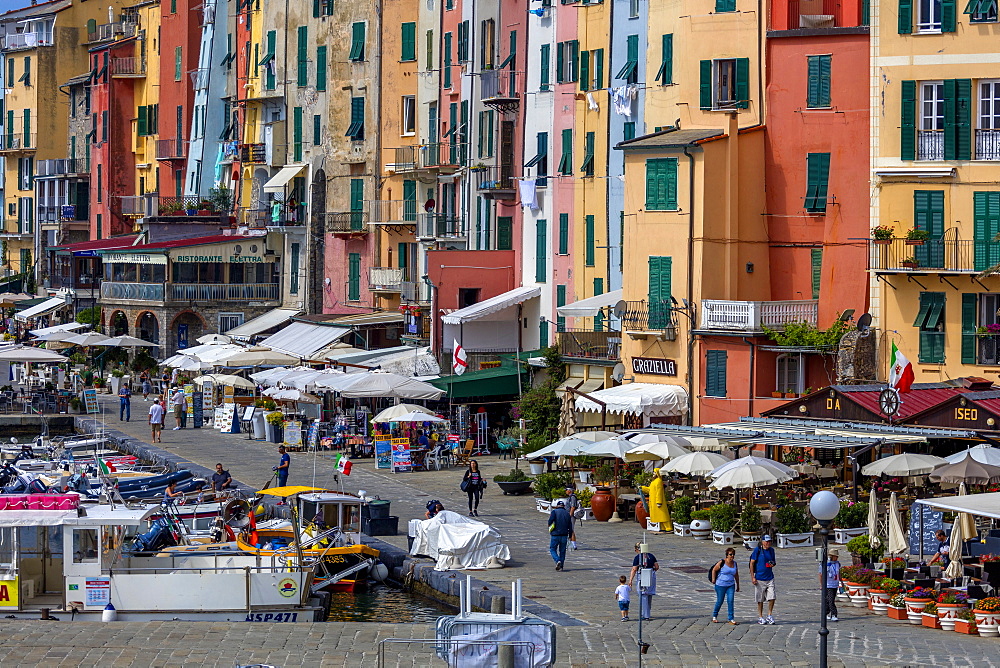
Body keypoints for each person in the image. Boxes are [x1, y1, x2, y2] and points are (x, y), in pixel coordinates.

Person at [750, 535, 777, 625]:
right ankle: (760, 616)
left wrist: (772, 564)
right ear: (762, 542)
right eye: (767, 541)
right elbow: (752, 563)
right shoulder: (757, 550)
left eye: (769, 541)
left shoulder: (771, 550)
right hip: (759, 578)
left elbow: (773, 561)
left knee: (772, 596)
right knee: (760, 599)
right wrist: (753, 577)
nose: (768, 543)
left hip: (769, 577)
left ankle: (769, 614)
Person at [628, 543, 659, 621]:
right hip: (651, 575)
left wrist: (630, 580)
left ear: (637, 549)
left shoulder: (638, 557)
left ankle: (645, 615)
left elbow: (634, 569)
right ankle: (647, 612)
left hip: (642, 575)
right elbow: (657, 567)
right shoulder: (651, 556)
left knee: (643, 594)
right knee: (649, 595)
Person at [710, 547, 741, 625]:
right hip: (720, 585)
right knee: (720, 601)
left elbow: (736, 575)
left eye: (733, 554)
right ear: (727, 555)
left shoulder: (735, 563)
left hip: (731, 585)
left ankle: (731, 618)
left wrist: (738, 585)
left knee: (730, 601)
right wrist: (713, 579)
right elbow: (714, 569)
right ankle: (714, 616)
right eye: (730, 554)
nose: (732, 556)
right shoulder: (722, 562)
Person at [547, 499, 572, 571]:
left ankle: (557, 560)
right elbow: (570, 526)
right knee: (562, 551)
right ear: (563, 506)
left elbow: (550, 520)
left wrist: (549, 526)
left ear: (557, 506)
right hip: (564, 535)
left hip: (555, 534)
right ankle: (561, 566)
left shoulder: (554, 512)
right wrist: (570, 536)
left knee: (552, 549)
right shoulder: (567, 514)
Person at [820, 548, 841, 622]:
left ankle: (825, 613)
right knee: (830, 600)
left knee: (830, 600)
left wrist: (841, 581)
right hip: (828, 584)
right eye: (835, 556)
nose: (837, 558)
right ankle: (834, 614)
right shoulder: (826, 564)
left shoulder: (837, 564)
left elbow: (839, 573)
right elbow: (821, 574)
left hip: (835, 584)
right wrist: (822, 584)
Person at [564, 486, 581, 550]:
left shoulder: (573, 497)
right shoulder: (570, 497)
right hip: (569, 515)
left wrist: (569, 516)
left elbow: (573, 507)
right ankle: (571, 544)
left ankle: (574, 545)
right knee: (569, 530)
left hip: (571, 516)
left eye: (566, 490)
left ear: (569, 490)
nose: (565, 491)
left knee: (571, 529)